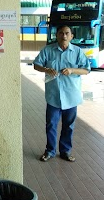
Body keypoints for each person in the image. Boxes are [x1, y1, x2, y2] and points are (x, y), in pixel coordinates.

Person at [33, 25, 90, 163]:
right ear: (56, 35)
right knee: (51, 125)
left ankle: (65, 151)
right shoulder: (48, 50)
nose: (64, 36)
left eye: (67, 33)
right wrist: (46, 69)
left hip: (71, 96)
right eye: (61, 33)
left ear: (71, 36)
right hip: (54, 95)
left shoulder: (77, 51)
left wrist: (72, 70)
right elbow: (36, 64)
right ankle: (50, 151)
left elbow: (86, 69)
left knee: (68, 125)